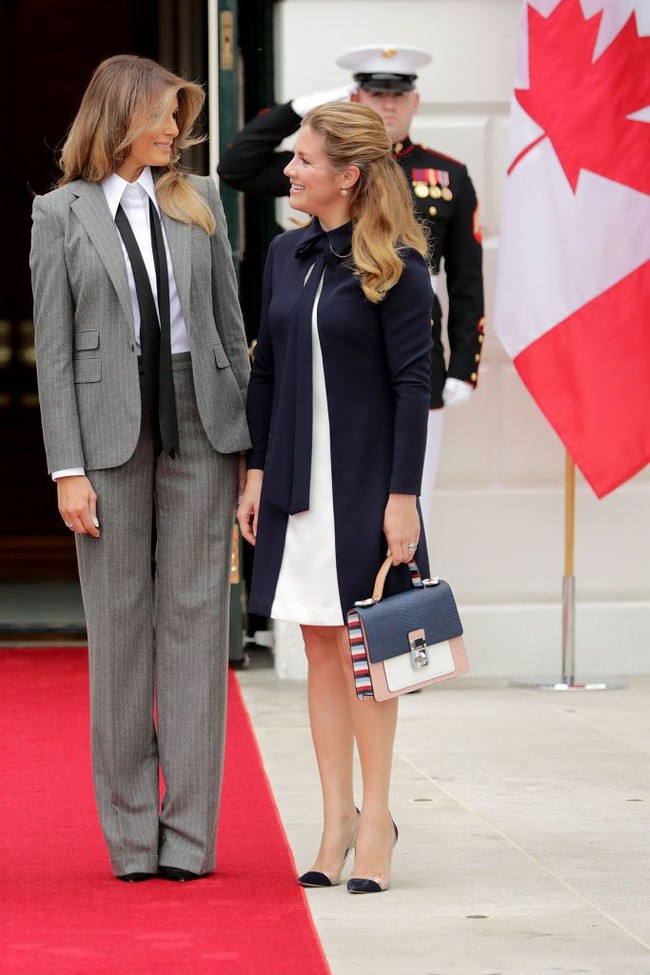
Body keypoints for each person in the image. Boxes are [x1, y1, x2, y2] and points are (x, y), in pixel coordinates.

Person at [30, 55, 251, 883]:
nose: (175, 131)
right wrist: (66, 468)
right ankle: (131, 841)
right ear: (120, 117)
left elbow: (230, 333)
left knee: (196, 630)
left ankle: (189, 840)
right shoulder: (59, 214)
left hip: (201, 423)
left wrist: (252, 457)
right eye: (163, 117)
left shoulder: (198, 204)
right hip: (107, 434)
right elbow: (54, 355)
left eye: (178, 117)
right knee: (120, 635)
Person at [236, 102, 432, 893]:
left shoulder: (399, 264)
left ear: (347, 176)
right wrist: (254, 473)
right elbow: (268, 370)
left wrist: (403, 496)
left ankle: (378, 818)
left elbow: (413, 387)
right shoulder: (286, 254)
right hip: (293, 482)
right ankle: (335, 817)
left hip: (364, 482)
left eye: (304, 162)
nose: (290, 171)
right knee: (318, 646)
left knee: (368, 654)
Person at [218, 44, 484, 527]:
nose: (387, 105)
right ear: (356, 96)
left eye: (397, 97)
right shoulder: (321, 169)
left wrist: (463, 364)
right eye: (375, 94)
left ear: (414, 102)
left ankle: (397, 602)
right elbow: (237, 167)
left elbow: (467, 280)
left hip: (413, 361)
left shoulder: (447, 175)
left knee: (406, 510)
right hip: (334, 362)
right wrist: (302, 108)